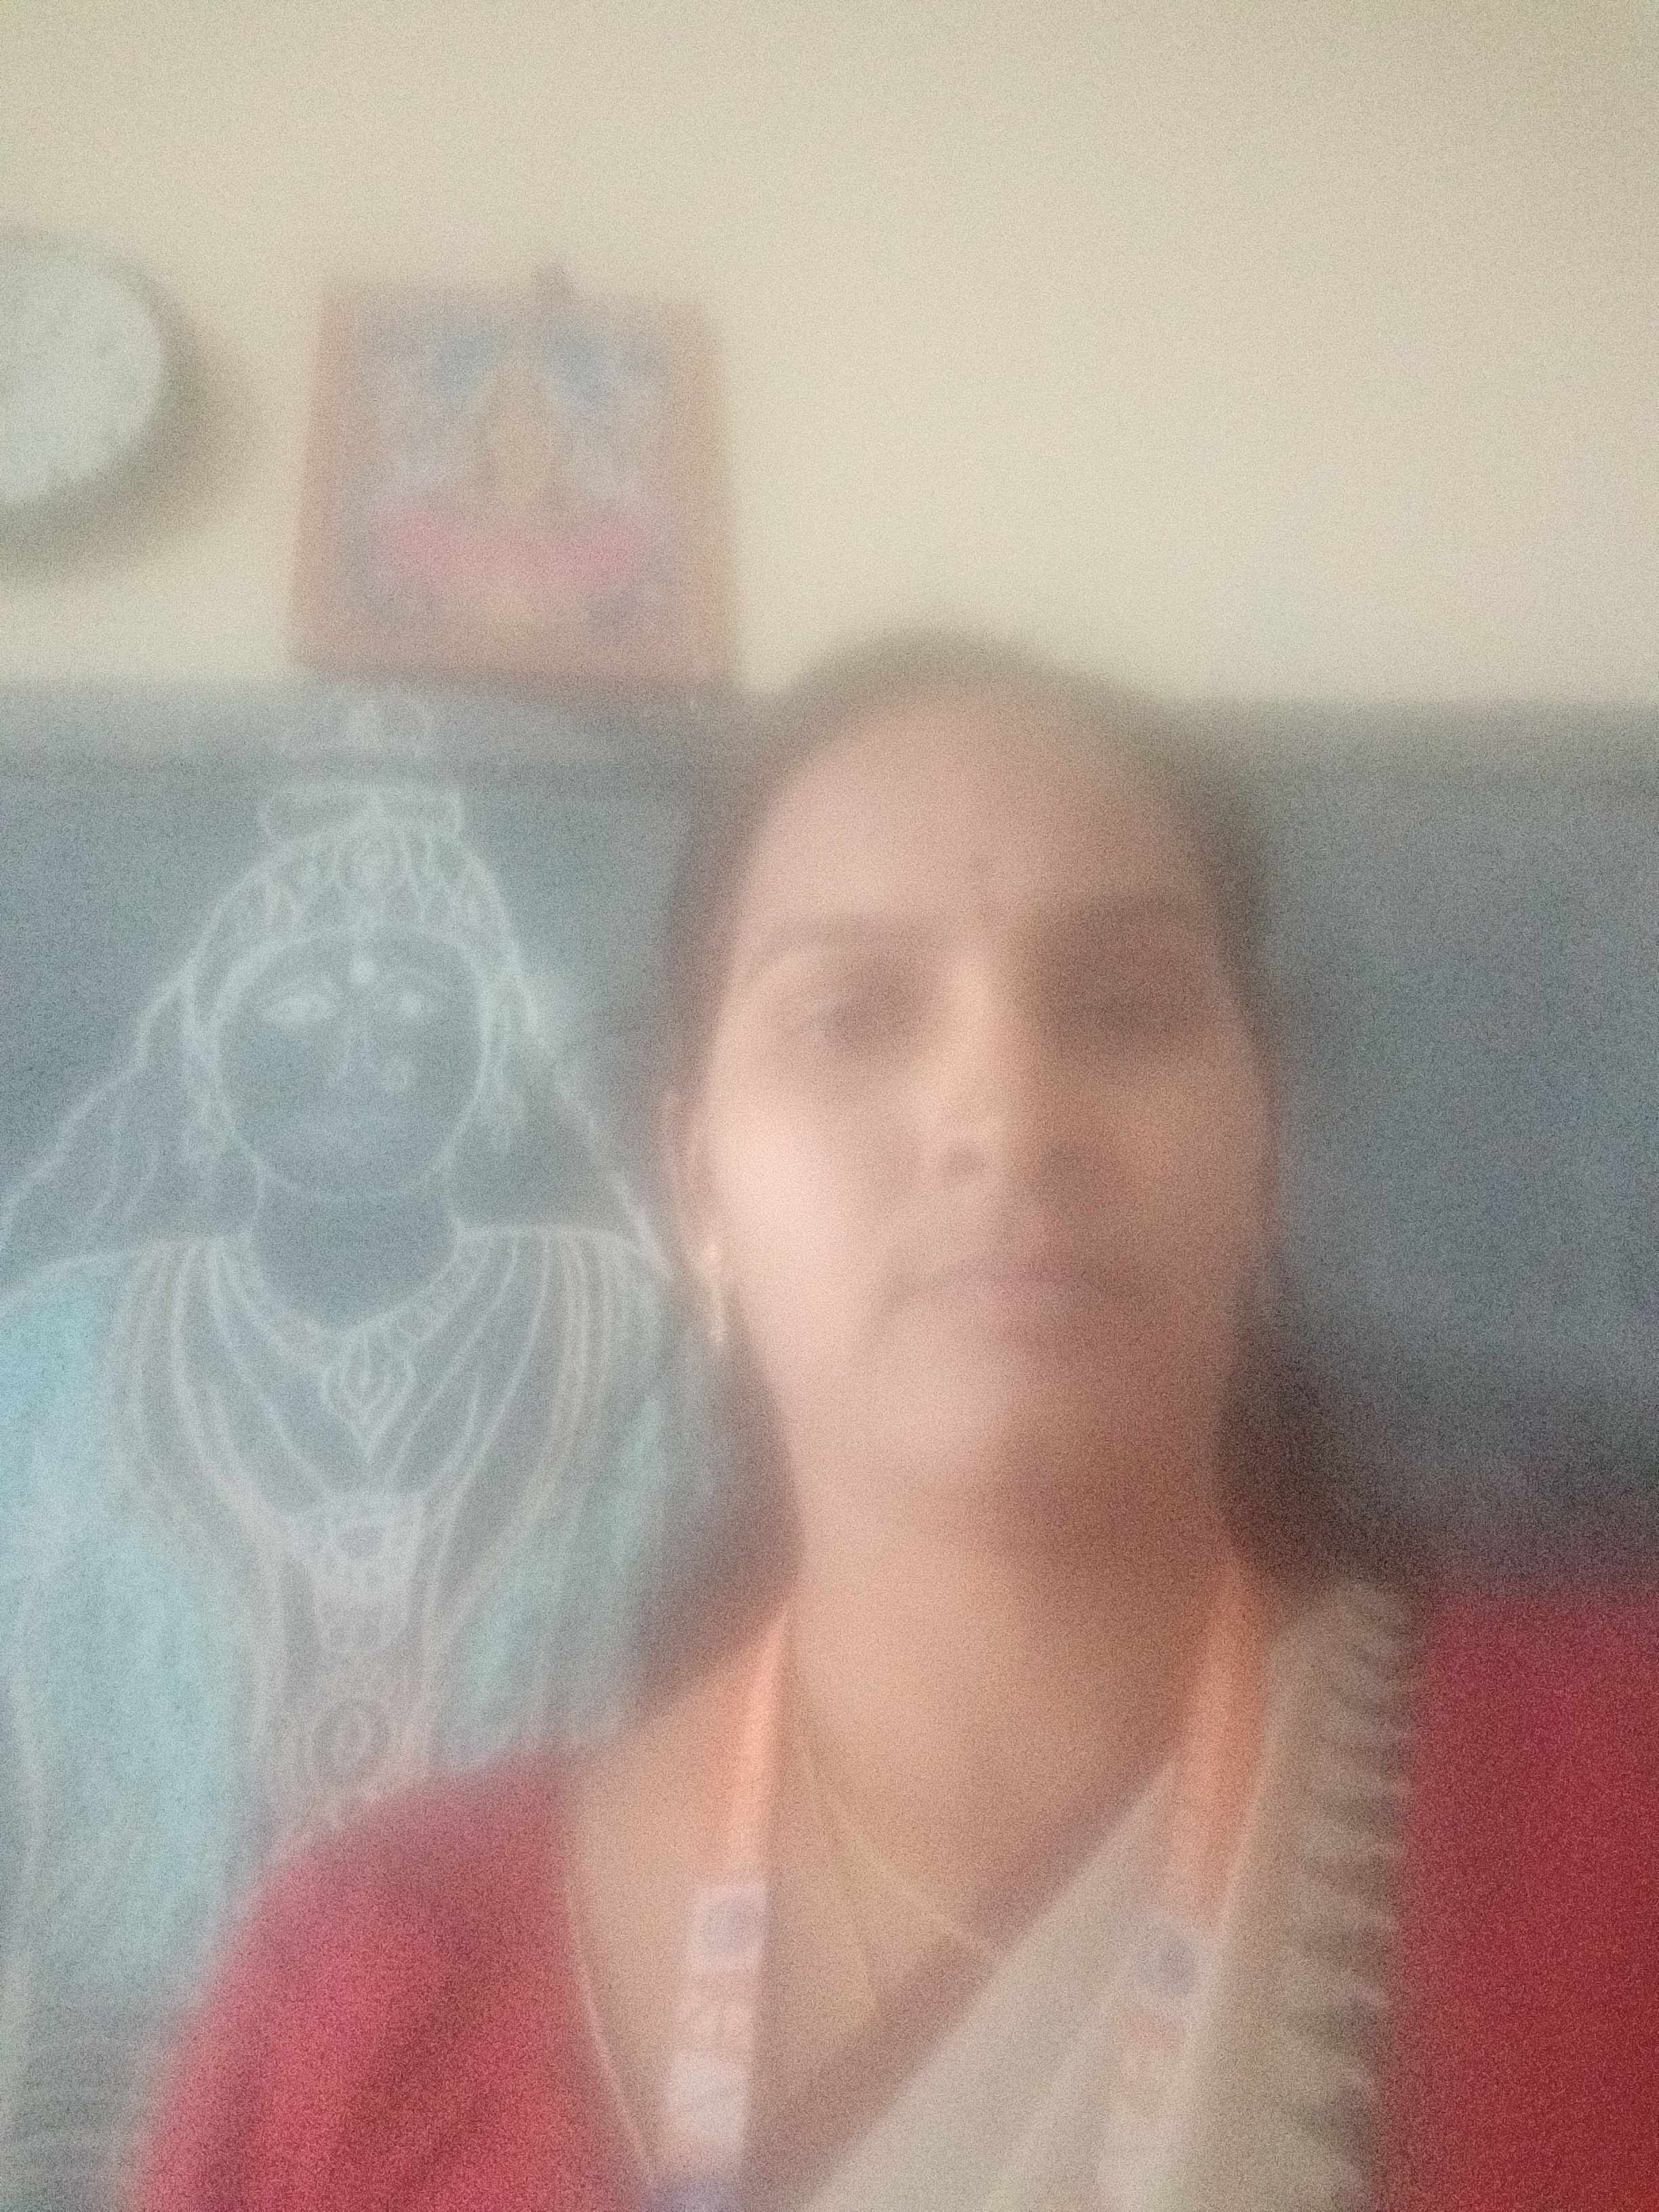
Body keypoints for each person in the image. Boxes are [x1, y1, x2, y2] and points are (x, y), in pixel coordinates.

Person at [132, 636, 1659, 2212]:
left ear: (1264, 1142)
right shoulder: (369, 1996)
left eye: (1125, 1007)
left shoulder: (1617, 1801)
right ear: (697, 1192)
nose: (1007, 1115)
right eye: (852, 1017)